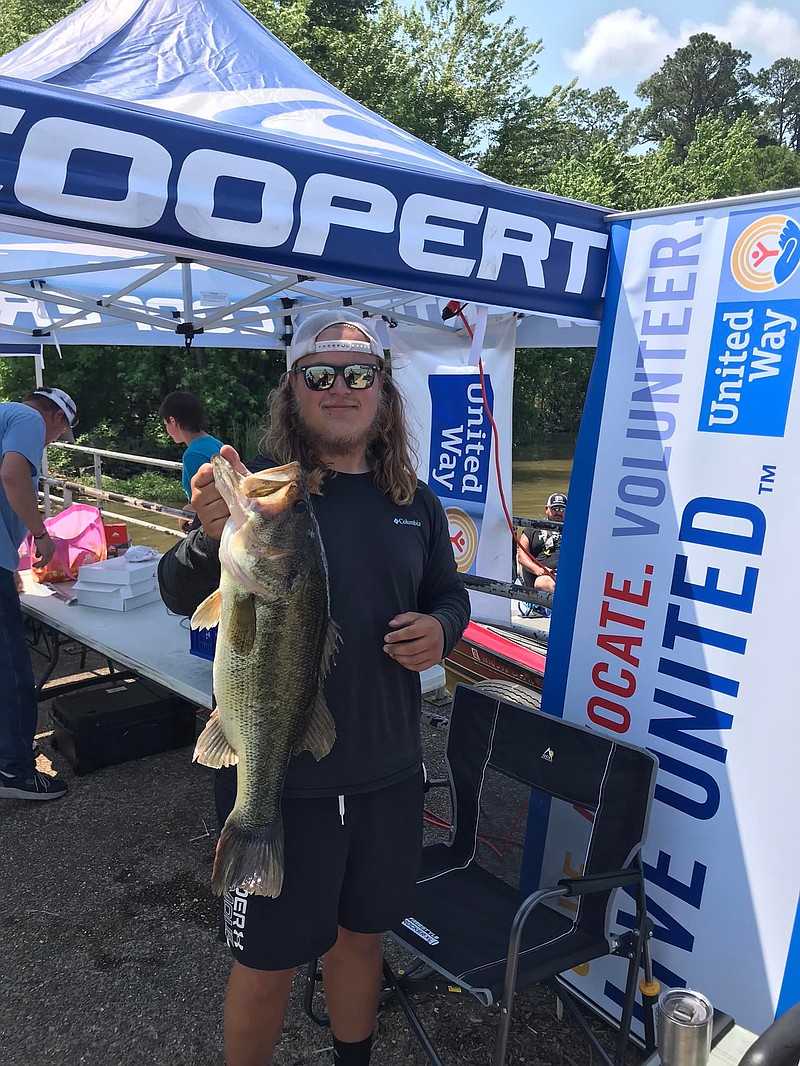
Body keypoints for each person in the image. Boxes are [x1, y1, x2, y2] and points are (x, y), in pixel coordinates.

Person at [157, 310, 470, 1066]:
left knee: (361, 945)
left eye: (358, 374)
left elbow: (449, 595)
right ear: (292, 392)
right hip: (281, 784)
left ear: (383, 394)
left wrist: (444, 628)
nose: (340, 388)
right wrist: (206, 534)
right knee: (264, 967)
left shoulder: (416, 504)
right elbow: (175, 587)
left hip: (390, 777)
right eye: (319, 374)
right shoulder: (272, 498)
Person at [0, 386, 78, 801]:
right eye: (57, 434)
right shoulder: (28, 419)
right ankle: (13, 771)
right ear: (56, 418)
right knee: (12, 671)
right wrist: (40, 534)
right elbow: (12, 476)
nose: (50, 442)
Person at [159, 390, 224, 531]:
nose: (167, 430)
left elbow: (207, 497)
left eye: (166, 424)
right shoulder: (215, 443)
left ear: (172, 421)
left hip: (210, 527)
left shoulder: (192, 455)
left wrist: (187, 510)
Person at [516, 491, 567, 596]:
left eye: (562, 509)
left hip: (568, 574)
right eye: (555, 509)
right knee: (548, 584)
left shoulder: (576, 531)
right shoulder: (532, 528)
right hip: (544, 576)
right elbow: (522, 556)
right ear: (546, 509)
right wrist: (537, 569)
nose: (558, 512)